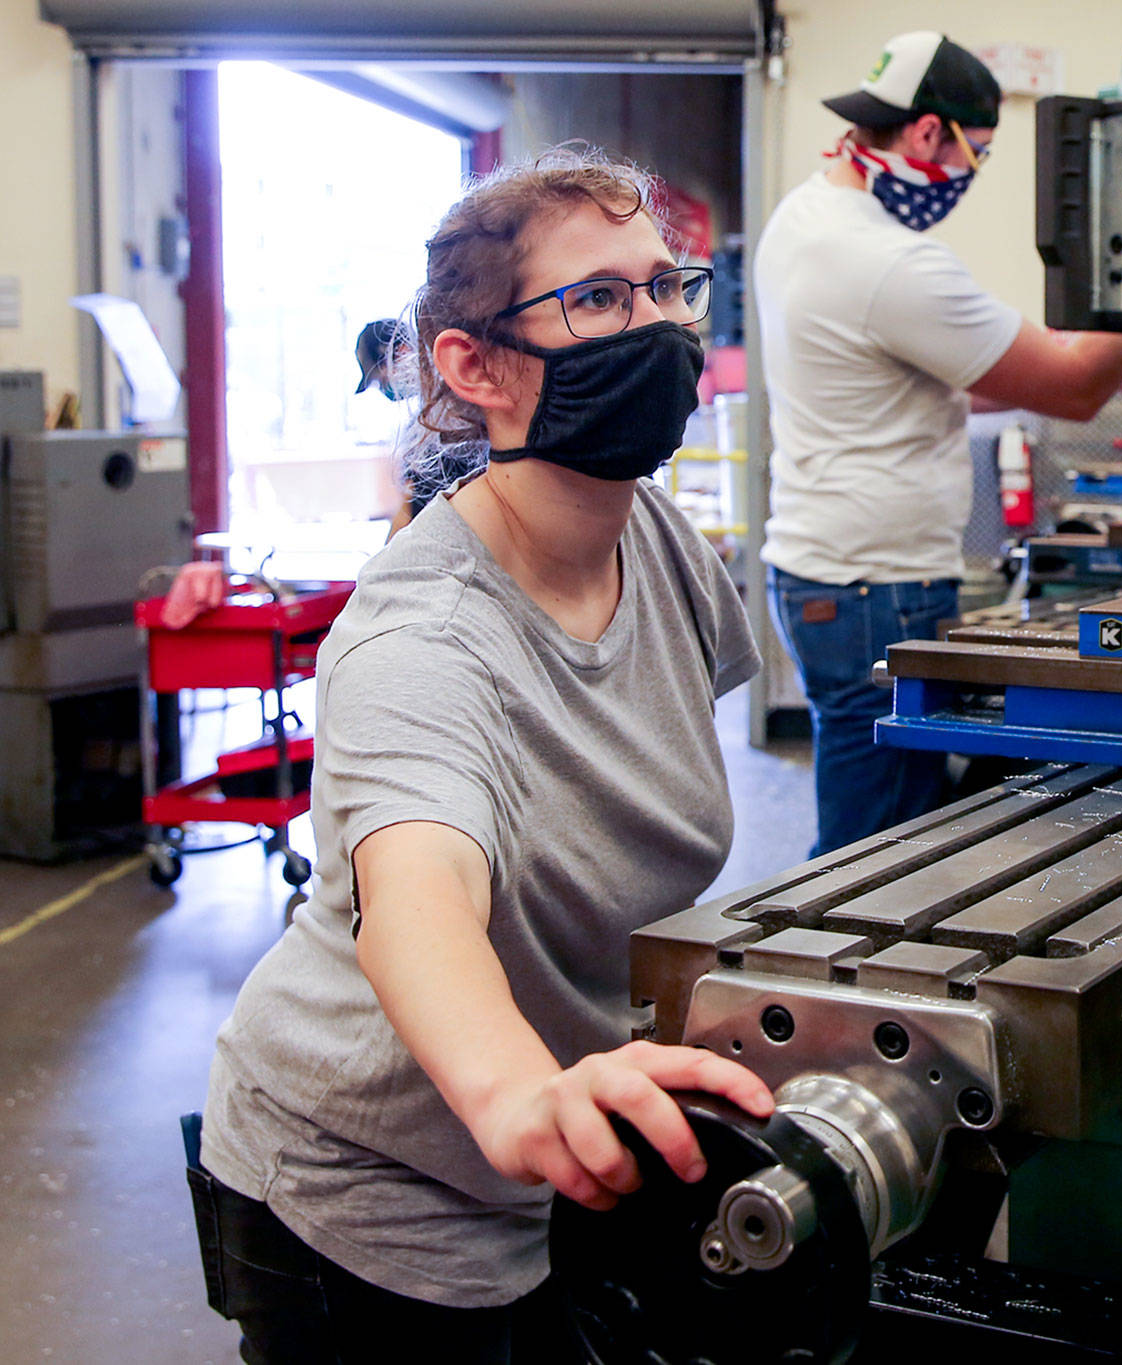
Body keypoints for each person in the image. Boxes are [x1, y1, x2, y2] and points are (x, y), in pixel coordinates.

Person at [187, 146, 771, 1360]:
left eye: (669, 288)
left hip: (549, 1161)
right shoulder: (420, 637)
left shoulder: (655, 536)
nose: (655, 325)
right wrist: (516, 1091)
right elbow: (418, 895)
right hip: (364, 1188)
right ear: (475, 367)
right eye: (600, 299)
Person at [758, 30, 1122, 857]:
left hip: (831, 574)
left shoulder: (810, 216)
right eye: (976, 155)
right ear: (929, 134)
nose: (967, 177)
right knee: (874, 846)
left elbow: (928, 375)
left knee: (885, 808)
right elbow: (1068, 383)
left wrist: (1120, 371)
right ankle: (836, 972)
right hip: (874, 587)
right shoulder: (885, 261)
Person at [158, 321, 477, 628]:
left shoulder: (447, 420)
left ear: (405, 352)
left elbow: (415, 510)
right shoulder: (432, 419)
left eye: (381, 379)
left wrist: (381, 574)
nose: (386, 391)